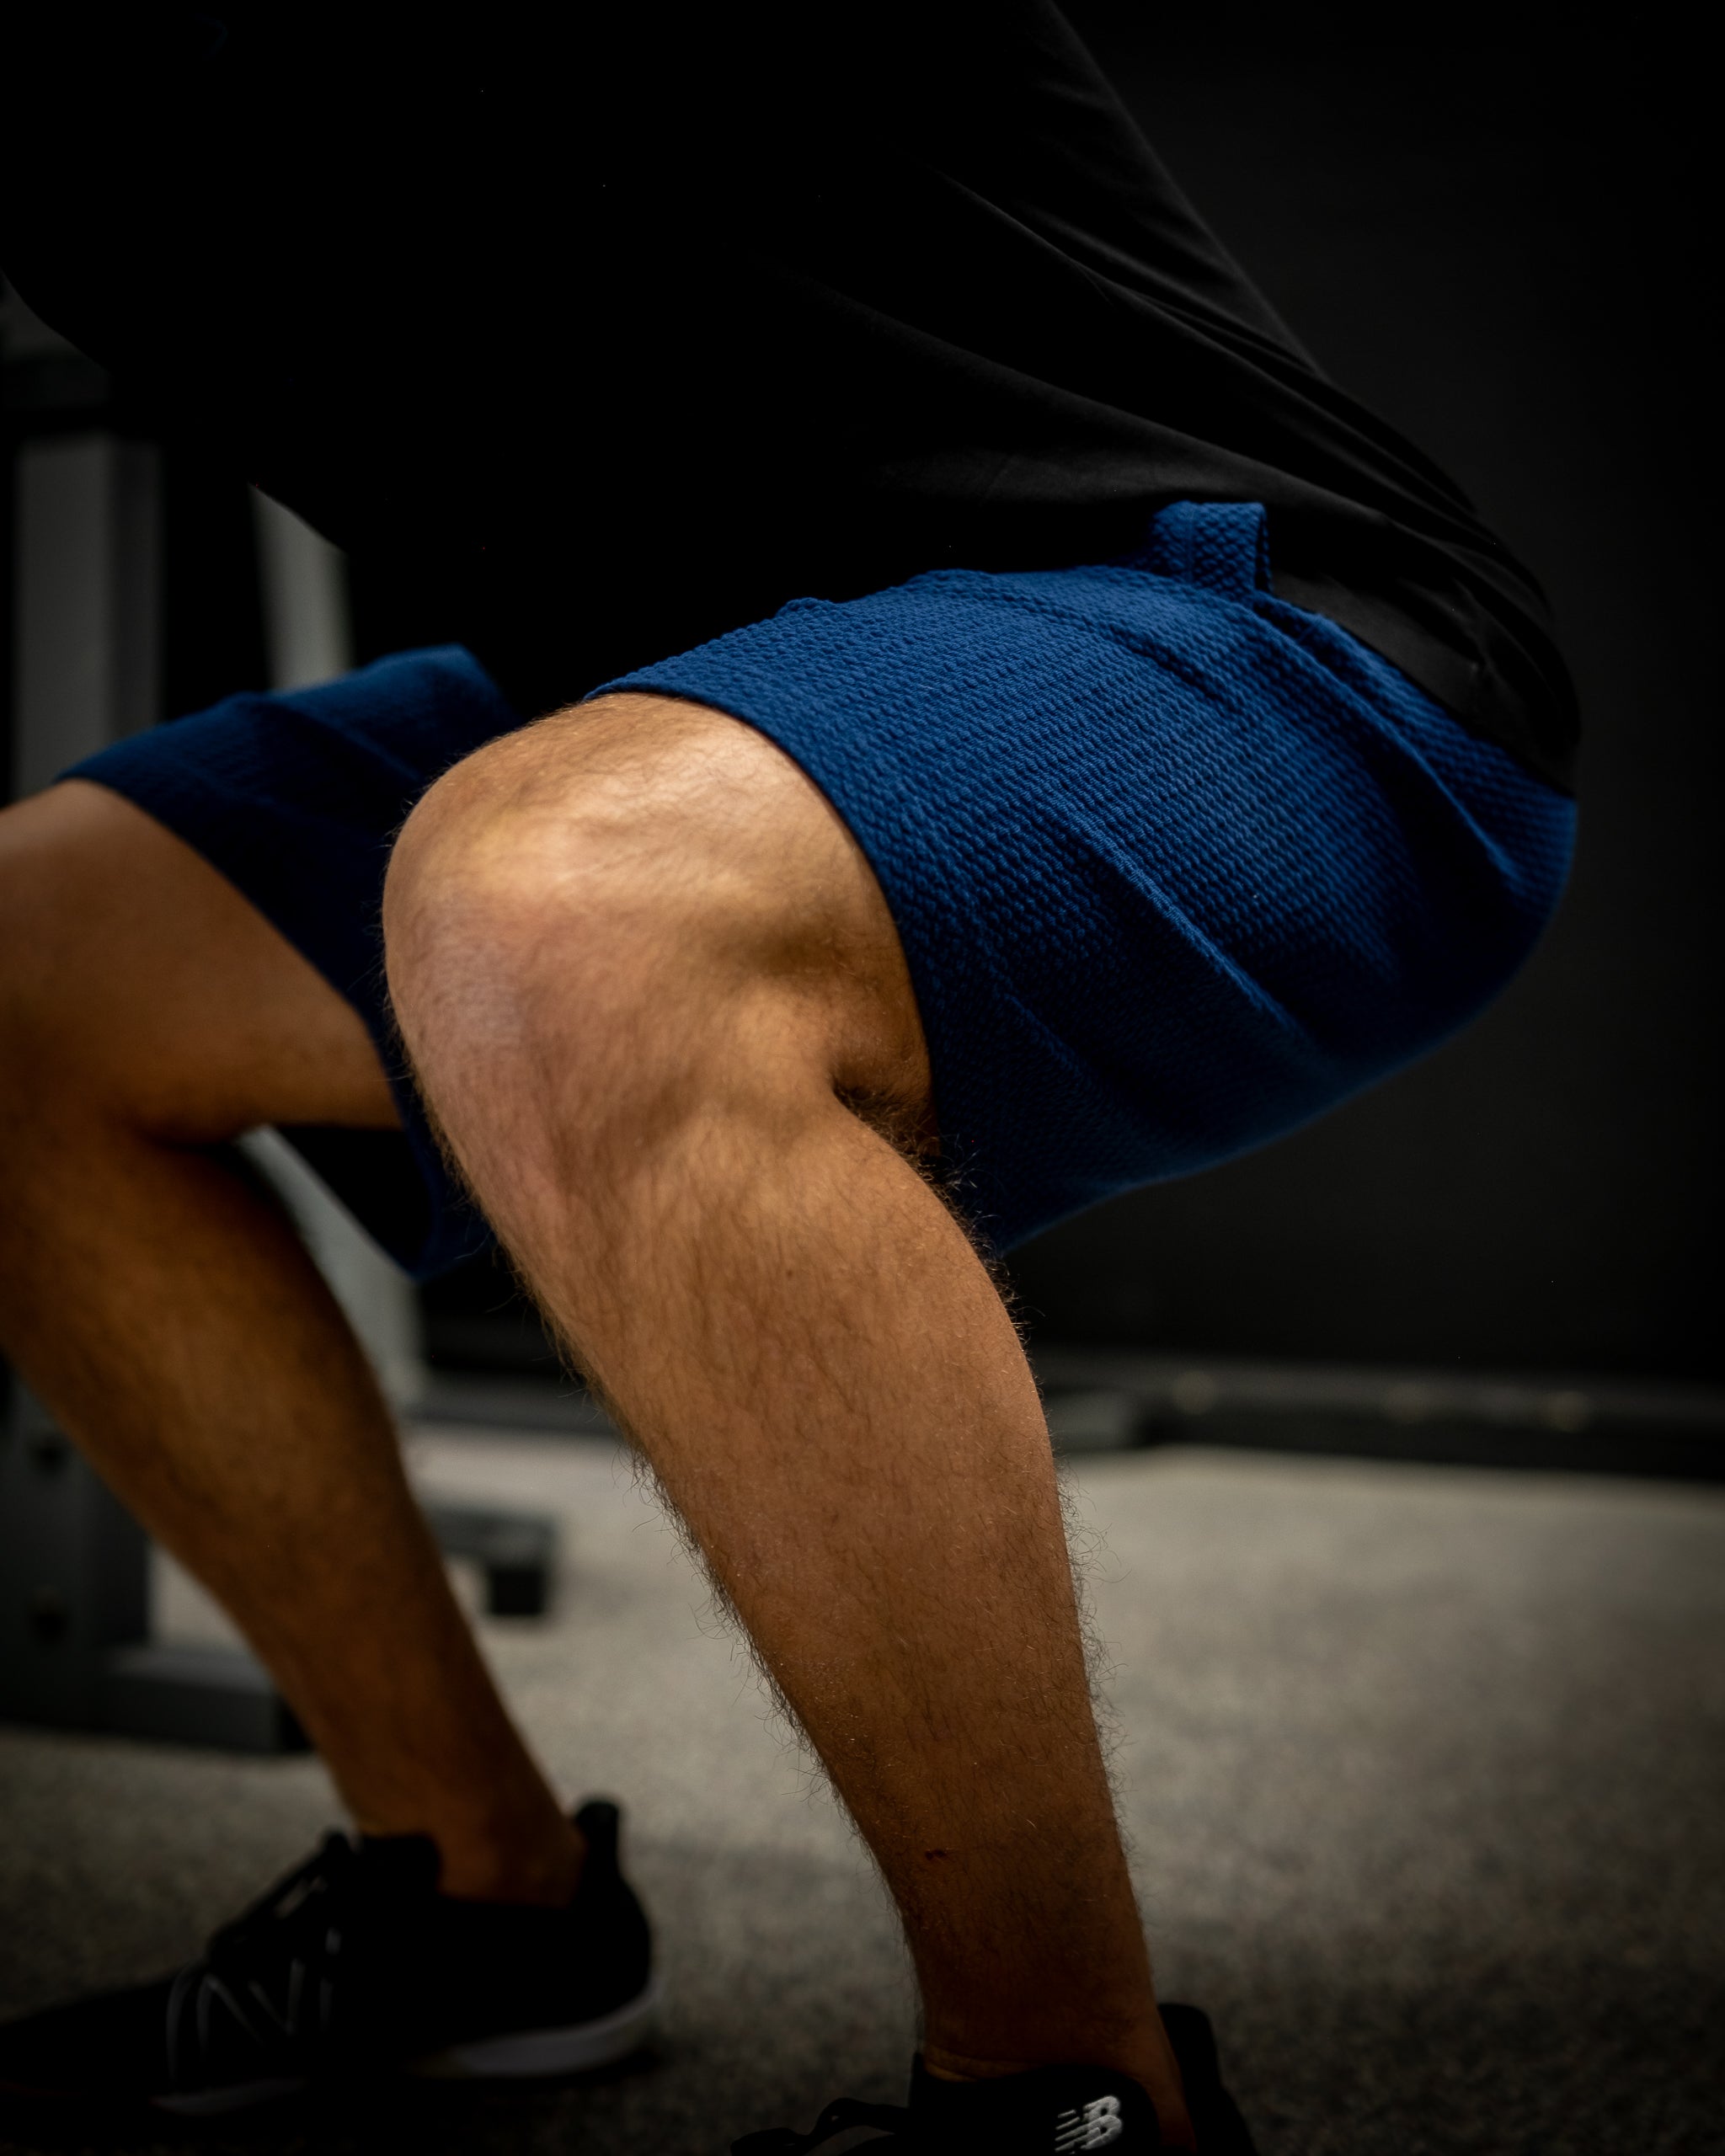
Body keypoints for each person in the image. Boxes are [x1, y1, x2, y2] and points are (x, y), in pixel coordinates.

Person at [0, 5, 1577, 2147]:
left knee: (560, 901)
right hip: (705, 677)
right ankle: (480, 1897)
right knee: (35, 967)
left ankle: (1063, 2097)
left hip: (1272, 639)